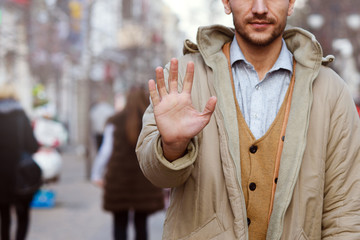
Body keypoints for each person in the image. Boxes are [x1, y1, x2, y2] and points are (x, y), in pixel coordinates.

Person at [136, 0, 360, 239]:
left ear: (291, 3)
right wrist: (172, 147)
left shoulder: (331, 91)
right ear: (226, 2)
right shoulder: (184, 77)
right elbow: (157, 175)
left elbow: (345, 214)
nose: (260, 8)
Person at [91, 86, 164, 240]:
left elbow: (105, 151)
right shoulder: (152, 121)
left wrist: (96, 174)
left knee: (119, 224)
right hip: (144, 181)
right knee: (141, 225)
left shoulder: (115, 121)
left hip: (119, 182)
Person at [0, 82, 39, 240]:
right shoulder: (21, 116)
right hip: (20, 173)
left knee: (4, 215)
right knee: (23, 214)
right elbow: (33, 145)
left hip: (1, 174)